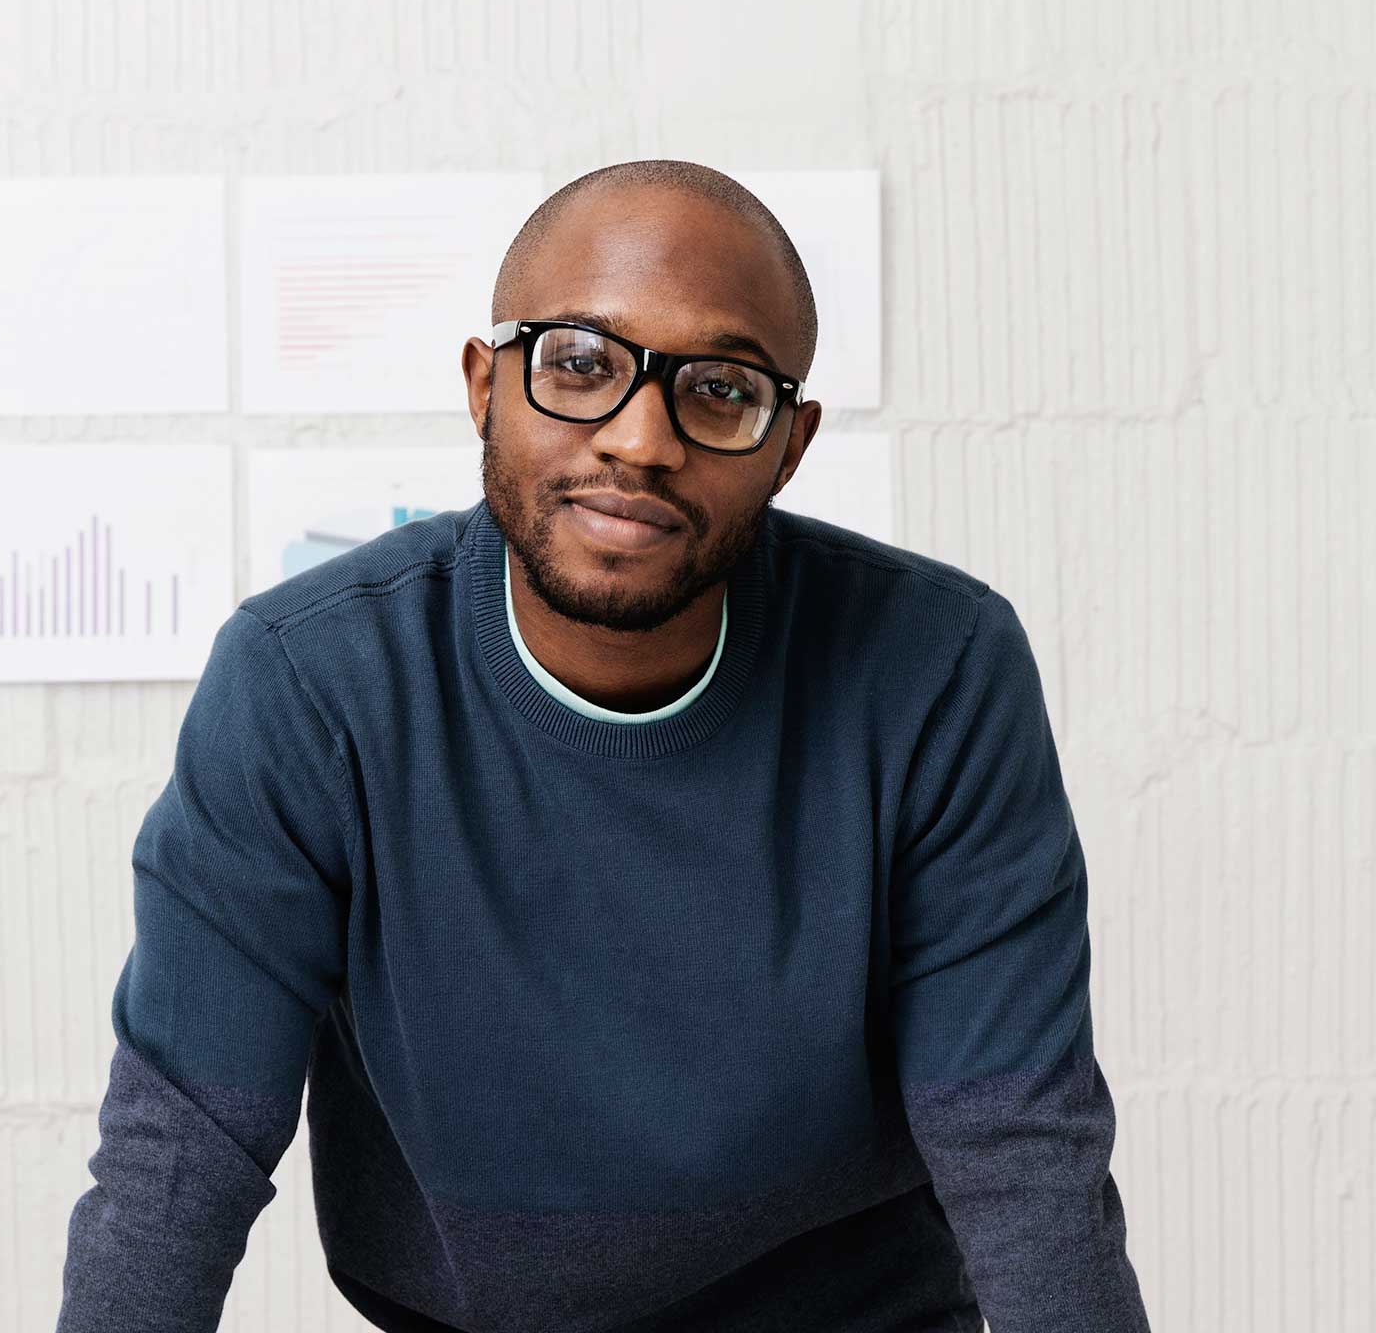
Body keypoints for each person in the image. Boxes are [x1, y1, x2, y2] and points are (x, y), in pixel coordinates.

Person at [56, 159, 1152, 1332]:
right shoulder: (311, 683)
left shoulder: (935, 670)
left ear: (789, 446)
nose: (640, 440)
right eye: (579, 363)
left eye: (720, 389)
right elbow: (181, 1157)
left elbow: (1021, 1153)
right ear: (486, 385)